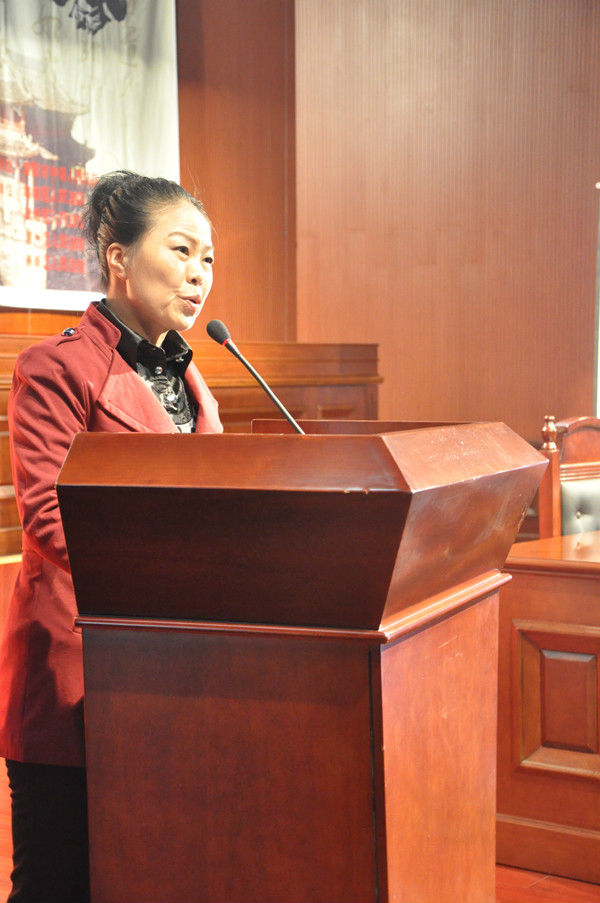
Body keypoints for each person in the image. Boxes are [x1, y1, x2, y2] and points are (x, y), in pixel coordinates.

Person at [0, 170, 223, 902]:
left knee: (148, 874)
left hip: (174, 669)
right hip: (79, 665)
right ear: (118, 256)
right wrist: (184, 573)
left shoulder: (191, 380)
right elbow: (49, 516)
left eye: (209, 259)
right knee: (57, 882)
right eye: (182, 250)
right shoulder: (55, 367)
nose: (199, 274)